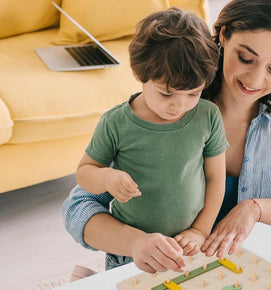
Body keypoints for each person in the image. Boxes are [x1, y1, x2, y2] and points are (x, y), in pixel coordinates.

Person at [63, 0, 271, 274]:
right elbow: (80, 207)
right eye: (246, 58)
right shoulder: (170, 103)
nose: (255, 79)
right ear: (224, 36)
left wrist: (255, 209)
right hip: (156, 268)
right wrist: (136, 243)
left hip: (231, 270)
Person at [74, 8, 229, 270]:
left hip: (187, 245)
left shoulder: (208, 116)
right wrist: (107, 178)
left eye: (193, 94)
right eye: (167, 94)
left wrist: (200, 231)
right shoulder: (115, 122)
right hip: (130, 254)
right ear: (140, 75)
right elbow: (84, 173)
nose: (178, 106)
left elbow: (215, 178)